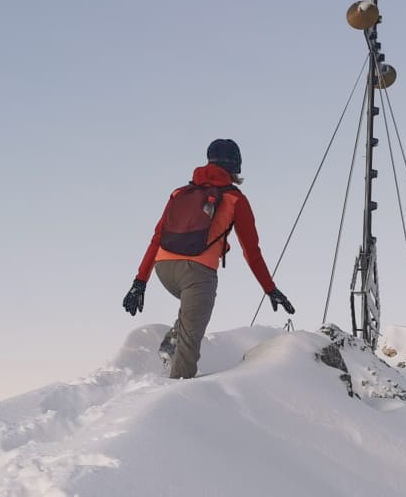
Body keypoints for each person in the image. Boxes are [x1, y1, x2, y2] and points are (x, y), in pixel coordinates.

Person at [122, 138, 294, 378]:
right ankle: (176, 391)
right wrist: (270, 289)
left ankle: (170, 346)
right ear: (236, 165)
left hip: (163, 268)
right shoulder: (235, 199)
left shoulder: (180, 193)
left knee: (191, 313)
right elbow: (251, 252)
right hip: (198, 274)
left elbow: (156, 238)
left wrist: (139, 283)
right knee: (190, 343)